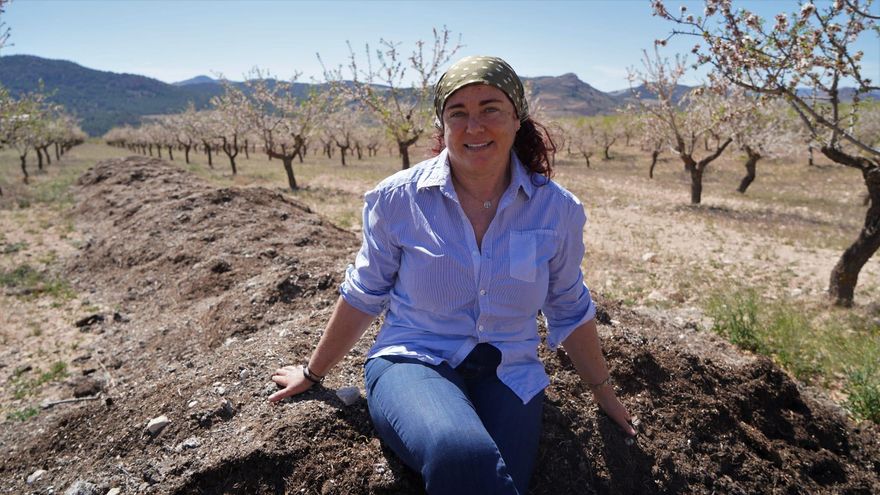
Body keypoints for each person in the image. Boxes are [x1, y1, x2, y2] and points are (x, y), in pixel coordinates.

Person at [269, 55, 636, 494]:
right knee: (460, 453)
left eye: (490, 109)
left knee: (493, 482)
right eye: (457, 113)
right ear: (441, 125)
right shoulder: (397, 200)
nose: (473, 126)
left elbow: (569, 306)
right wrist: (312, 374)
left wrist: (604, 393)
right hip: (414, 359)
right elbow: (365, 291)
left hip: (511, 372)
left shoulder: (556, 210)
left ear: (517, 119)